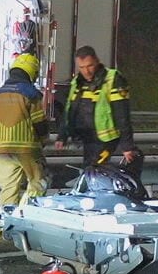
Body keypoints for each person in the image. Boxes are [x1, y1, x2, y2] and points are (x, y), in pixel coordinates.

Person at [56, 45, 137, 176]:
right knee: (90, 170)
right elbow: (70, 110)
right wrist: (62, 135)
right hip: (87, 137)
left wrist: (127, 146)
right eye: (82, 67)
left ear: (97, 61)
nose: (86, 71)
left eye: (90, 66)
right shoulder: (78, 82)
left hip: (106, 139)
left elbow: (122, 114)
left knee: (94, 171)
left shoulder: (113, 79)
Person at [0, 52, 49, 208]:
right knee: (38, 182)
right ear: (31, 71)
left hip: (3, 150)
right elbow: (39, 122)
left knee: (8, 188)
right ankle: (27, 214)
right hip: (27, 148)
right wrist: (44, 140)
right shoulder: (31, 93)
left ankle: (3, 222)